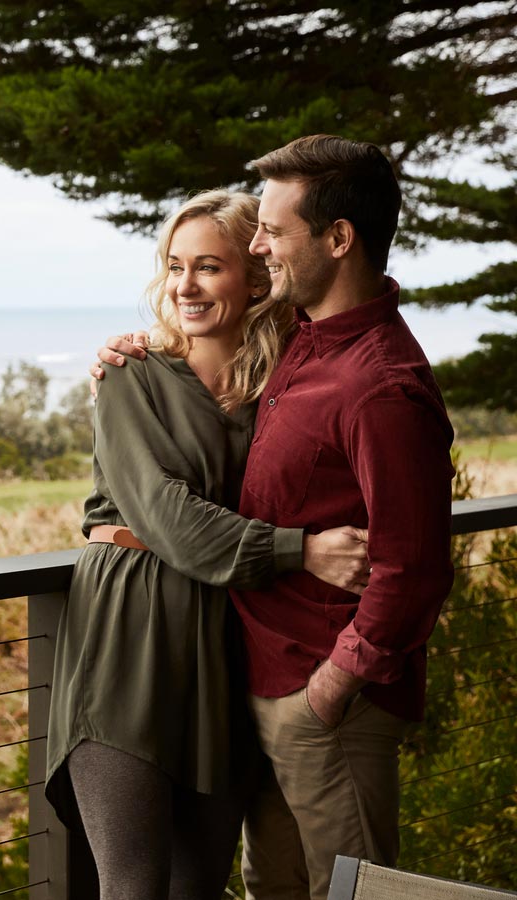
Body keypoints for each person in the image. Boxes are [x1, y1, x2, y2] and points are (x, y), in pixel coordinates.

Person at [92, 135, 455, 900]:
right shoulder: (300, 346)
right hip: (255, 684)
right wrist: (131, 352)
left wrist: (331, 688)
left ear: (338, 238)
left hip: (323, 697)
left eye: (273, 232)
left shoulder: (378, 384)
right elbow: (206, 363)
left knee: (351, 891)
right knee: (273, 886)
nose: (260, 247)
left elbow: (413, 567)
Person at [48, 188, 371, 900]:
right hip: (128, 636)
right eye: (174, 266)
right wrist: (302, 551)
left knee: (201, 884)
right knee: (133, 885)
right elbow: (164, 515)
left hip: (226, 644)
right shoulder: (132, 377)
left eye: (208, 267)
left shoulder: (282, 383)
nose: (184, 286)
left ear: (255, 276)